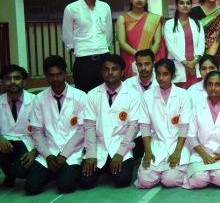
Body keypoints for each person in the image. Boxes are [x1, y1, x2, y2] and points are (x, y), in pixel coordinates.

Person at [25, 55, 87, 195]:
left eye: (59, 74)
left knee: (66, 186)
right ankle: (53, 172)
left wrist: (64, 155)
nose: (55, 79)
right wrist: (47, 155)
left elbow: (82, 130)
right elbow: (37, 131)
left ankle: (59, 173)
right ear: (46, 75)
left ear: (65, 74)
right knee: (31, 188)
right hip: (50, 150)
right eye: (51, 75)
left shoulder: (80, 96)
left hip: (71, 151)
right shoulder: (39, 98)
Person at [78, 54, 139, 189]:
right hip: (99, 147)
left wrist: (120, 153)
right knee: (85, 182)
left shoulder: (133, 95)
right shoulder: (92, 94)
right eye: (106, 69)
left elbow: (133, 127)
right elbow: (89, 126)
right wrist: (91, 154)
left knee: (122, 180)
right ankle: (105, 167)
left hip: (120, 145)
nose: (110, 72)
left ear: (122, 72)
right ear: (102, 72)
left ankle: (111, 167)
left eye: (114, 69)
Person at [135, 59, 193, 188]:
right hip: (157, 143)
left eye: (165, 74)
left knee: (170, 181)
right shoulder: (148, 96)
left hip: (178, 143)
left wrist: (177, 152)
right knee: (144, 181)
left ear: (173, 75)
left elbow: (184, 125)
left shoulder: (183, 95)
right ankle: (161, 170)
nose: (161, 78)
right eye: (158, 74)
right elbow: (144, 126)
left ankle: (173, 170)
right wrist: (148, 152)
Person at [184, 71, 220, 189]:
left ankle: (215, 173)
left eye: (217, 84)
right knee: (198, 180)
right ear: (205, 86)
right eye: (210, 84)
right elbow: (191, 136)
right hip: (202, 153)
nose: (213, 88)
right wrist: (204, 155)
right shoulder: (197, 107)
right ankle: (206, 173)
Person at [62, 0, 113, 93]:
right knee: (84, 94)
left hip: (103, 57)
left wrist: (102, 48)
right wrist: (81, 49)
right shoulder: (71, 8)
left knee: (105, 93)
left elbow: (109, 33)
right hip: (83, 60)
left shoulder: (105, 7)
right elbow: (67, 35)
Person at [116, 0, 164, 78]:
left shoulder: (155, 19)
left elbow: (157, 42)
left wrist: (148, 58)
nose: (139, 0)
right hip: (130, 59)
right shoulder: (122, 18)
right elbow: (122, 43)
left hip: (150, 60)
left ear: (146, 0)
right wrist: (138, 56)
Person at [0, 65, 35, 189]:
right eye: (8, 79)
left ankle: (27, 169)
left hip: (27, 142)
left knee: (20, 171)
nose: (12, 82)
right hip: (5, 143)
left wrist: (35, 151)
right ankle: (9, 175)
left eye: (16, 78)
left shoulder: (35, 101)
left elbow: (45, 130)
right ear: (3, 82)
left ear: (24, 81)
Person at [164, 0, 205, 88]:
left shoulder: (197, 23)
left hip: (194, 65)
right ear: (176, 6)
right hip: (178, 64)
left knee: (195, 91)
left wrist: (194, 61)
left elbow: (201, 44)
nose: (185, 5)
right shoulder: (169, 24)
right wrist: (186, 63)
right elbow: (171, 46)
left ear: (191, 6)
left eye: (188, 3)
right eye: (181, 3)